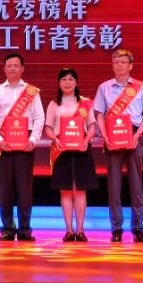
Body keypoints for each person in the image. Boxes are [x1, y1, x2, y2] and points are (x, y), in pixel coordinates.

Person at [93, 49, 143, 243]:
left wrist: (137, 134)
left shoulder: (141, 87)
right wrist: (105, 136)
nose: (120, 65)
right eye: (116, 62)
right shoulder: (104, 87)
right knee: (114, 185)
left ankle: (138, 228)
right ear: (112, 65)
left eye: (123, 62)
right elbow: (99, 115)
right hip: (112, 137)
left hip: (134, 135)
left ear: (130, 65)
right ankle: (116, 228)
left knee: (136, 185)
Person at [0, 52, 45, 241]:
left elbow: (39, 117)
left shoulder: (31, 92)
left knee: (24, 189)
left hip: (25, 144)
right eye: (9, 65)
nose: (12, 68)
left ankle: (25, 229)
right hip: (3, 144)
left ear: (22, 69)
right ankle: (7, 229)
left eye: (16, 65)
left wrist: (33, 140)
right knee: (5, 189)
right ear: (4, 69)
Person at [44, 68, 96, 242]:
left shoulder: (85, 103)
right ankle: (68, 230)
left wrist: (87, 140)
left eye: (71, 79)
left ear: (76, 82)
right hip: (61, 150)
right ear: (59, 83)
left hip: (82, 149)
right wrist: (55, 139)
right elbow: (48, 128)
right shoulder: (53, 104)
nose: (67, 83)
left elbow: (92, 126)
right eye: (64, 79)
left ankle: (80, 230)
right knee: (65, 191)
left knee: (80, 191)